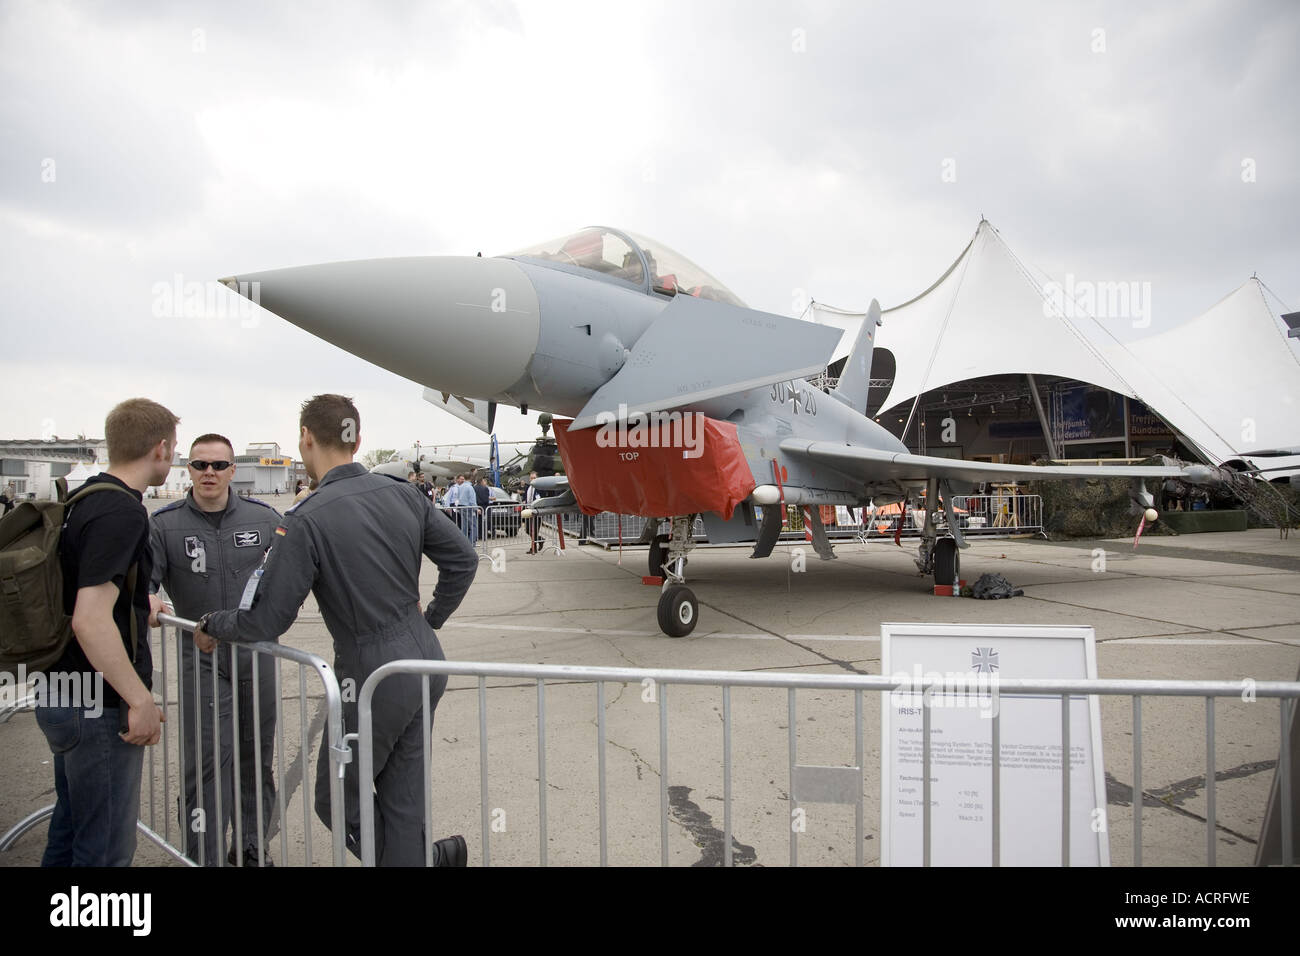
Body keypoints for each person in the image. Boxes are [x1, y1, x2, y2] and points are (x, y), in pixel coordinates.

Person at [194, 395, 477, 866]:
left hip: (370, 670)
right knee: (403, 799)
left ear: (305, 437)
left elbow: (267, 619)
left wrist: (213, 623)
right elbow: (463, 559)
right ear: (357, 440)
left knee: (336, 798)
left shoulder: (307, 517)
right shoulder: (404, 493)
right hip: (424, 657)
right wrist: (431, 620)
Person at [38, 397, 173, 866]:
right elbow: (90, 618)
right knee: (105, 851)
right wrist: (139, 701)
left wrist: (140, 602)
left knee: (71, 829)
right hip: (97, 704)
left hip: (60, 690)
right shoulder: (123, 512)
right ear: (160, 448)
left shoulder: (84, 500)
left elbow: (93, 592)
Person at [149, 433, 281, 867]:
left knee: (254, 757)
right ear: (187, 469)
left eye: (219, 465)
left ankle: (250, 847)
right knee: (205, 765)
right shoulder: (164, 525)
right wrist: (147, 596)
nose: (209, 473)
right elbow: (142, 583)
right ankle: (201, 855)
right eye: (200, 465)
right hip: (200, 660)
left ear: (232, 470)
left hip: (256, 655)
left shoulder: (265, 520)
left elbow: (305, 570)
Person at [524, 471, 545, 555]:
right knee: (528, 530)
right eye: (531, 478)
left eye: (534, 478)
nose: (532, 479)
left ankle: (533, 548)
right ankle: (540, 540)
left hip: (537, 512)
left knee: (535, 530)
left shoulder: (540, 488)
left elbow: (542, 498)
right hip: (529, 511)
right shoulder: (528, 487)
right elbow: (526, 498)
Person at [453, 474, 478, 543]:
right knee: (473, 526)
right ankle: (471, 542)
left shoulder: (460, 487)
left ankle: (464, 543)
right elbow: (472, 500)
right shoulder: (470, 487)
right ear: (471, 478)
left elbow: (457, 497)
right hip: (469, 507)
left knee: (464, 526)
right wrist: (476, 509)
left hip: (461, 507)